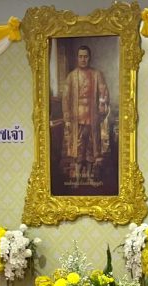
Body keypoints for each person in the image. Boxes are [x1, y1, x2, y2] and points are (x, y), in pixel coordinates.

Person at [61, 44, 110, 186]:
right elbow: (65, 98)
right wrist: (67, 117)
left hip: (93, 118)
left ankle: (89, 177)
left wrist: (101, 104)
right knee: (78, 149)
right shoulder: (71, 77)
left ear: (89, 58)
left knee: (91, 149)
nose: (83, 59)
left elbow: (104, 92)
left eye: (85, 56)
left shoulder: (97, 74)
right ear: (77, 58)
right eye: (80, 56)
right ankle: (77, 178)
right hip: (76, 120)